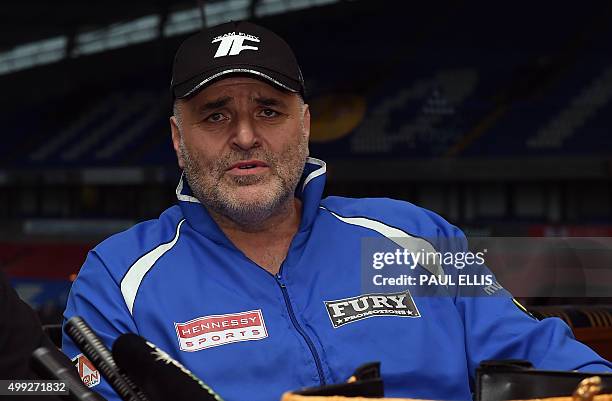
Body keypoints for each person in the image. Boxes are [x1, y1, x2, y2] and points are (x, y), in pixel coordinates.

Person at [62, 20, 611, 401]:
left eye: (269, 110)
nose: (246, 136)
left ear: (303, 125)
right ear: (179, 140)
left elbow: (556, 361)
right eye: (215, 116)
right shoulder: (117, 278)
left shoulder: (415, 235)